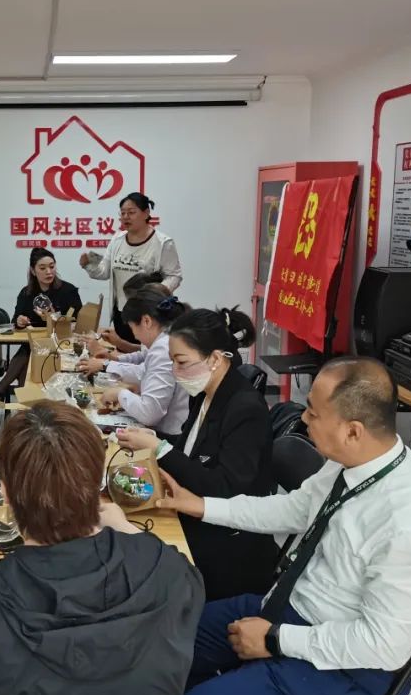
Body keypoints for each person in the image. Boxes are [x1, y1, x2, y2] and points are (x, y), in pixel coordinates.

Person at [157, 357, 411, 695]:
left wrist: (276, 640)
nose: (303, 418)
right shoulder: (350, 462)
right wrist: (199, 505)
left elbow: (385, 646)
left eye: (314, 414)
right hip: (288, 610)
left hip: (345, 671)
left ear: (353, 431)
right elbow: (293, 509)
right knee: (159, 640)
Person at [0, 402, 204, 695]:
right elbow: (189, 579)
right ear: (97, 486)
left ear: (6, 494)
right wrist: (125, 527)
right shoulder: (165, 570)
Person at [117, 307, 277, 599]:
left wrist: (160, 449)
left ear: (215, 359)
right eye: (172, 362)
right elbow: (190, 448)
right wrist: (153, 439)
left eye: (181, 362)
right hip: (197, 507)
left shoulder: (245, 409)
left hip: (228, 540)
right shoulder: (204, 394)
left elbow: (223, 488)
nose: (175, 372)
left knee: (131, 548)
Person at [0, 247, 82, 407]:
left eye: (52, 266)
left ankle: (2, 390)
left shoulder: (68, 291)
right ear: (33, 271)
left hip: (61, 343)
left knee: (28, 351)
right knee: (29, 350)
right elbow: (15, 321)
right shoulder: (27, 293)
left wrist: (54, 317)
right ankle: (23, 402)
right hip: (35, 344)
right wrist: (20, 321)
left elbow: (78, 322)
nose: (48, 272)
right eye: (42, 268)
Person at [82, 286, 190, 438]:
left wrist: (120, 394)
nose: (135, 336)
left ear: (146, 321)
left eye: (133, 328)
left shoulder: (164, 347)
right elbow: (144, 371)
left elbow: (149, 414)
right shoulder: (165, 339)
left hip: (169, 435)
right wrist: (108, 366)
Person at [79, 192, 182, 343]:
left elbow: (174, 276)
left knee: (146, 354)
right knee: (122, 352)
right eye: (123, 213)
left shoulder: (163, 243)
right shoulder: (117, 240)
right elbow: (104, 272)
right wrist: (87, 265)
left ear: (146, 213)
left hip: (149, 314)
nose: (126, 217)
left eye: (131, 212)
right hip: (122, 313)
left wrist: (157, 291)